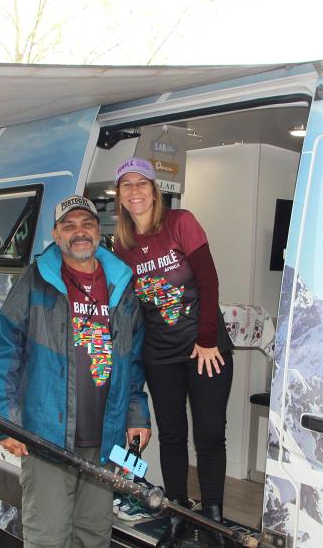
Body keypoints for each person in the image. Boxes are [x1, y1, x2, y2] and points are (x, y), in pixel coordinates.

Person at [0, 194, 151, 548]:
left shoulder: (121, 284)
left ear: (98, 230)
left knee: (94, 535)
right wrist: (3, 417)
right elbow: (2, 349)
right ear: (56, 235)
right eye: (69, 226)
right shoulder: (36, 281)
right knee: (49, 537)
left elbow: (133, 360)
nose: (79, 232)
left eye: (87, 224)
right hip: (47, 436)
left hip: (105, 436)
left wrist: (137, 414)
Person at [112, 158, 234, 548]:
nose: (134, 191)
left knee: (210, 435)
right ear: (119, 195)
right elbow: (128, 303)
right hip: (159, 353)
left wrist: (208, 338)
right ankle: (178, 514)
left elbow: (208, 279)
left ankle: (213, 519)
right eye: (126, 185)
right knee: (173, 436)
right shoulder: (122, 243)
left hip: (205, 348)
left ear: (154, 188)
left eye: (141, 183)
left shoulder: (182, 222)